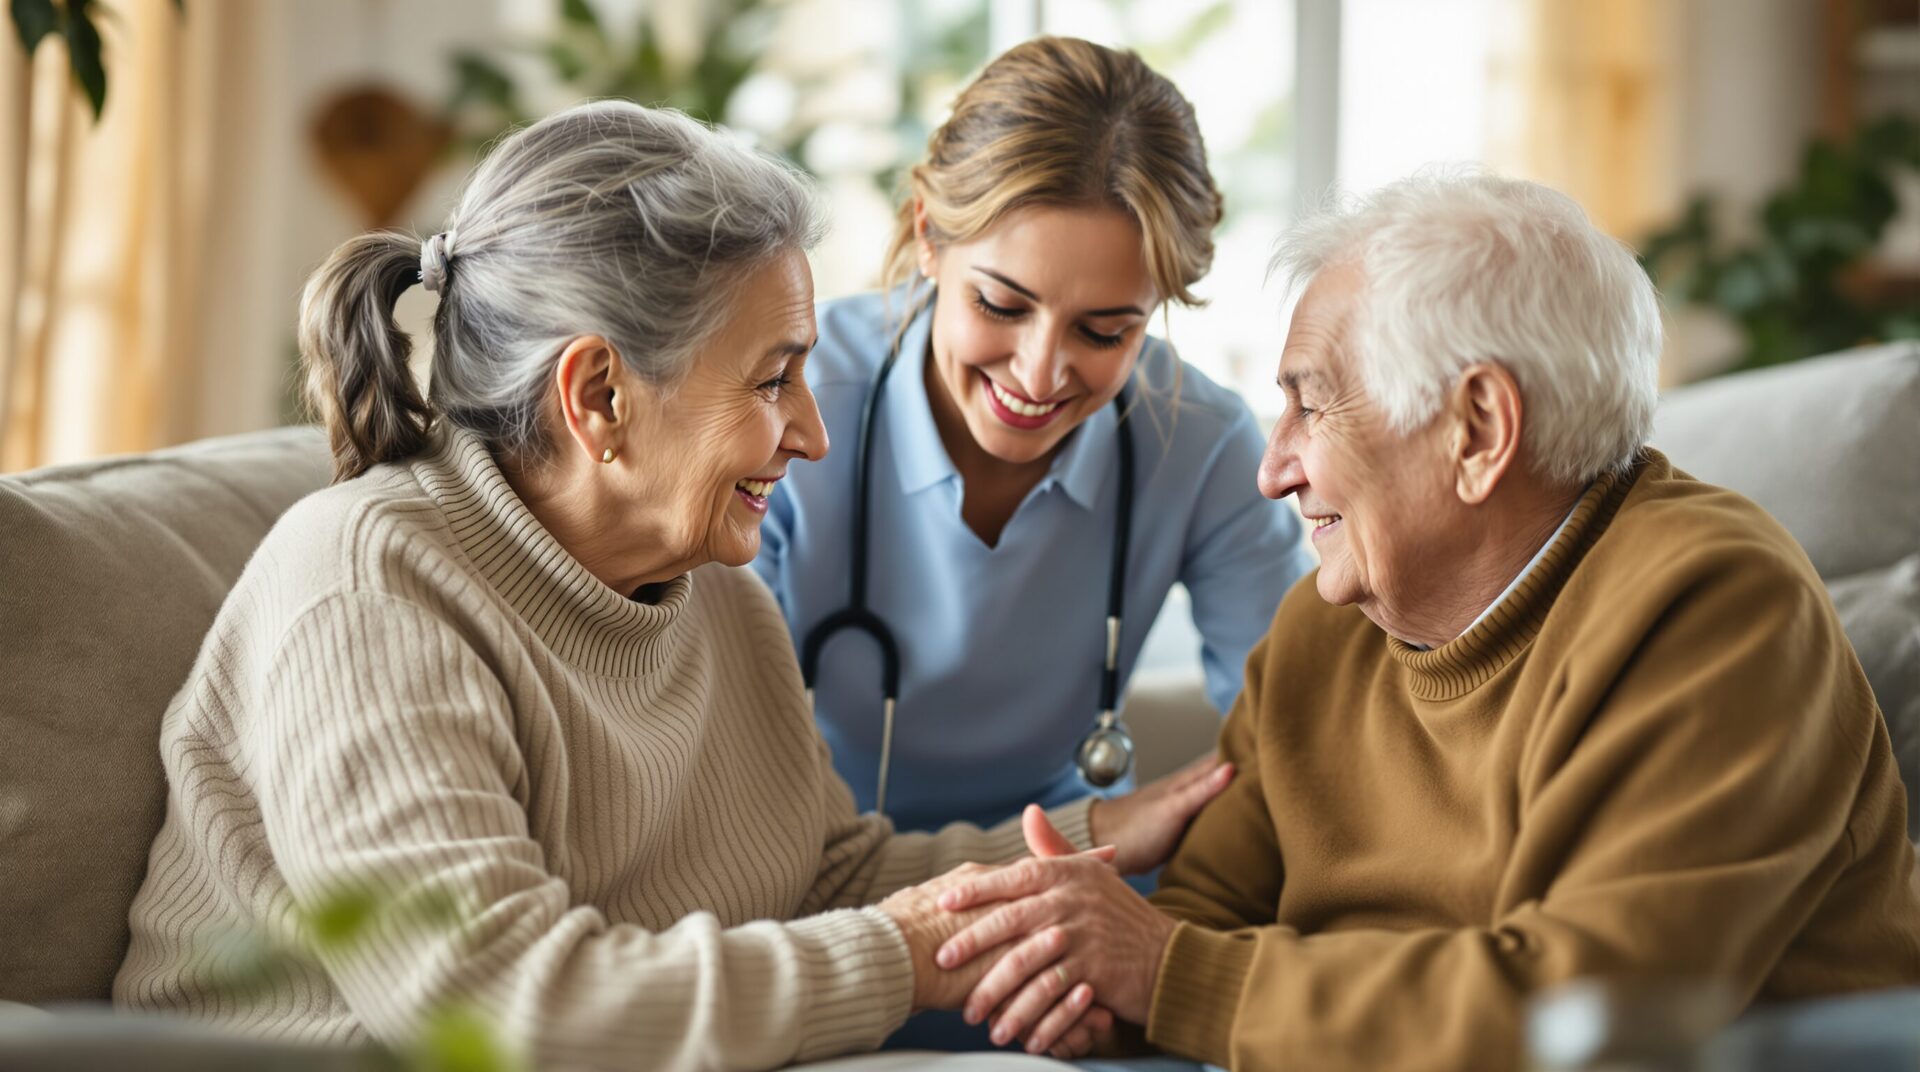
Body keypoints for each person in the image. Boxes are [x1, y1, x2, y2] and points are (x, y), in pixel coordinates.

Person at [111, 101, 1202, 1070]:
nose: (812, 433)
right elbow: (505, 1009)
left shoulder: (708, 585)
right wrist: (906, 955)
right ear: (599, 398)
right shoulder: (368, 587)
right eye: (773, 378)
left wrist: (1091, 844)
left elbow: (823, 877)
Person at [917, 172, 1920, 1069]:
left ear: (1478, 429)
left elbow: (1596, 1015)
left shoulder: (1714, 607)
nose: (1274, 468)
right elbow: (1202, 919)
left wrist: (1171, 981)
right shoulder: (1325, 628)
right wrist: (1099, 997)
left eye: (1311, 407)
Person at [752, 34, 1311, 863]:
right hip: (825, 879)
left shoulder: (1199, 440)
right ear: (930, 237)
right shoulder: (783, 395)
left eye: (1104, 330)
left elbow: (1294, 737)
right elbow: (708, 765)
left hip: (1085, 881)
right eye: (1002, 305)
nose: (1040, 374)